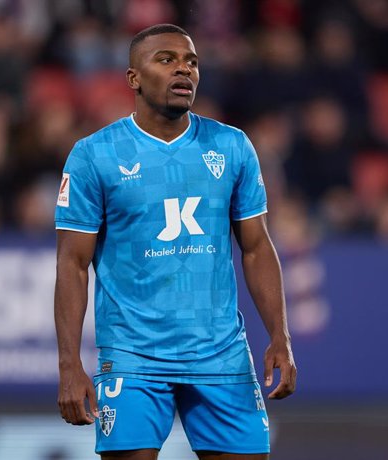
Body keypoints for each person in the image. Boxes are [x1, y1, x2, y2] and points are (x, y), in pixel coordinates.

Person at [54, 24, 296, 460]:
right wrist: (70, 364)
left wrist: (281, 336)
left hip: (220, 354)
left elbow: (257, 247)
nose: (183, 69)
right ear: (133, 78)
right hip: (133, 356)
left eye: (191, 61)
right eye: (166, 60)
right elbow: (72, 264)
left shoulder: (232, 146)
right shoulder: (94, 155)